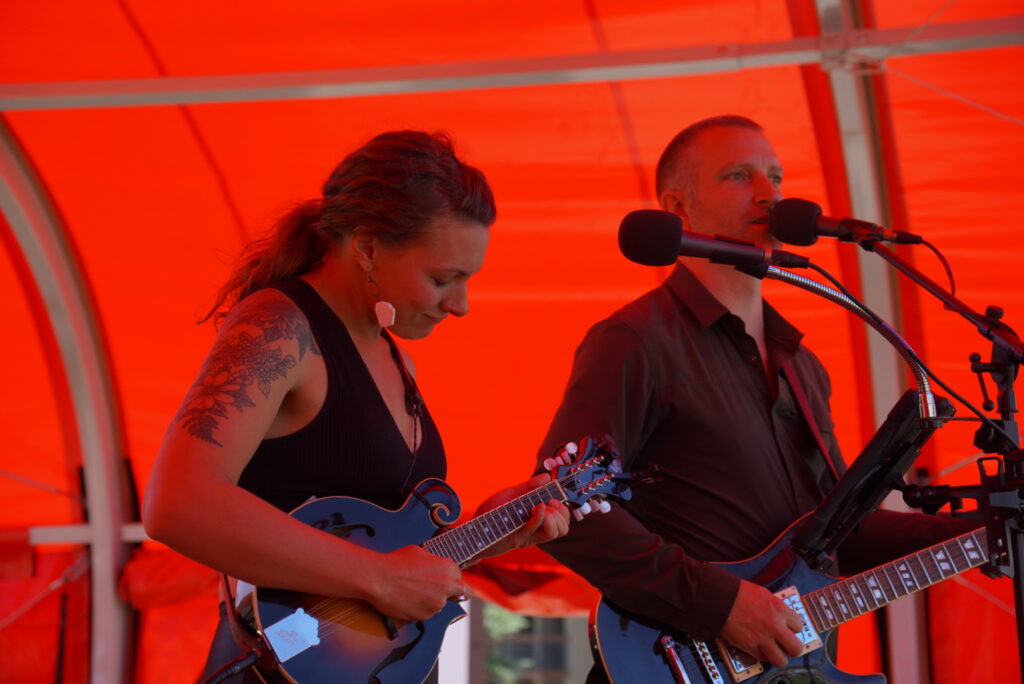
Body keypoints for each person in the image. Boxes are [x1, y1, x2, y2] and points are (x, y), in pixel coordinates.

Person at [534, 115, 979, 679]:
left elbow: (843, 529)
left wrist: (986, 529)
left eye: (777, 176)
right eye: (739, 175)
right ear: (677, 208)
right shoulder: (634, 342)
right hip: (678, 660)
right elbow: (564, 504)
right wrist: (722, 605)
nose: (770, 193)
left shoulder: (805, 367)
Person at [143, 130, 569, 683]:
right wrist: (379, 578)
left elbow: (384, 551)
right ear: (367, 248)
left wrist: (489, 528)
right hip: (278, 665)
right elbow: (176, 503)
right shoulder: (278, 327)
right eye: (443, 278)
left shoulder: (395, 357)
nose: (461, 305)